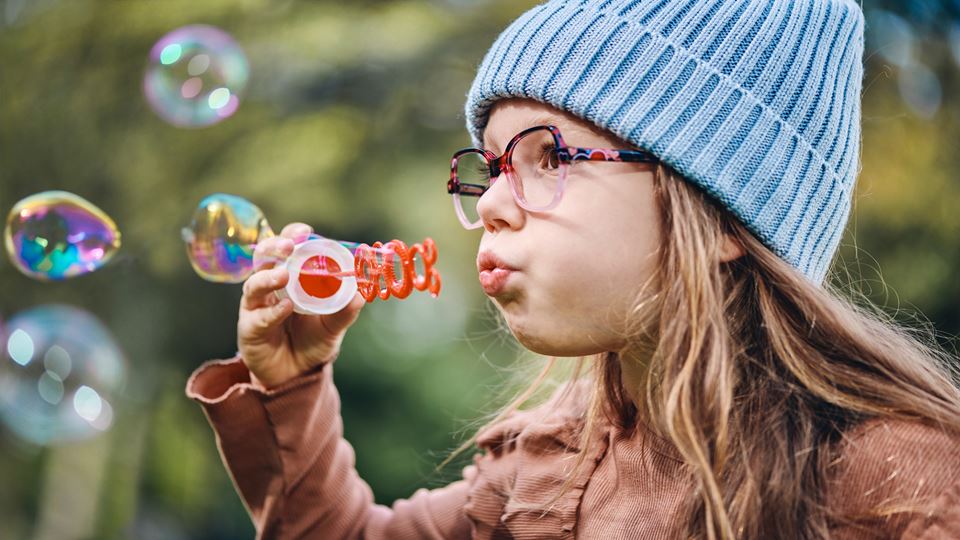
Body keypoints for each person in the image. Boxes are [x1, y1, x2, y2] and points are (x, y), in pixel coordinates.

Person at [186, 0, 960, 538]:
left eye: (550, 157)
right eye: (491, 167)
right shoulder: (548, 474)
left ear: (723, 216)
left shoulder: (900, 490)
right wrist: (291, 383)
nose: (492, 203)